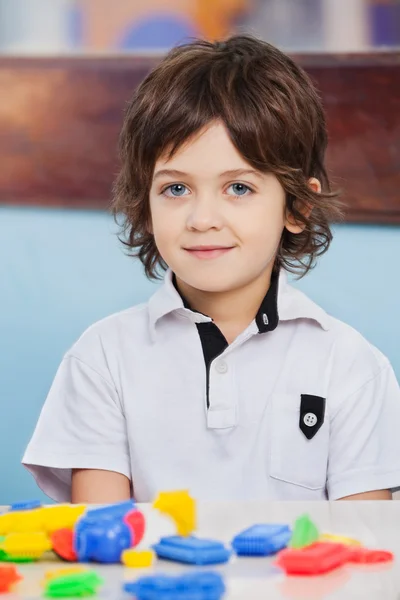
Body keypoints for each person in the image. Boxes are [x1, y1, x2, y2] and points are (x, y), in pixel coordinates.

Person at [23, 35, 400, 503]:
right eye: (176, 189)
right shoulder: (102, 358)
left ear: (298, 205)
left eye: (238, 188)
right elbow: (101, 544)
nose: (202, 219)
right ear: (146, 203)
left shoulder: (350, 367)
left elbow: (365, 552)